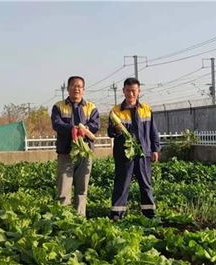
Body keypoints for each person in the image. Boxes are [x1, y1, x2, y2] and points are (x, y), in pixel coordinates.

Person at [108, 77, 160, 220]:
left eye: (134, 91)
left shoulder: (146, 110)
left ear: (139, 92)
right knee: (122, 184)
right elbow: (110, 133)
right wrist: (116, 128)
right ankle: (117, 215)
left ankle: (149, 214)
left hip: (144, 153)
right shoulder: (116, 111)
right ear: (123, 91)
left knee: (146, 184)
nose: (131, 94)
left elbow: (153, 131)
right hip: (124, 155)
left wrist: (155, 149)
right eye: (128, 91)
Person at [51, 75, 100, 217]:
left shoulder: (91, 107)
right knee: (63, 189)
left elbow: (95, 126)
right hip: (66, 153)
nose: (76, 89)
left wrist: (84, 129)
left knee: (82, 189)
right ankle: (63, 219)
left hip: (85, 153)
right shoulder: (59, 106)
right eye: (73, 85)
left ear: (83, 89)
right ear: (68, 88)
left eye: (79, 86)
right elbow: (57, 124)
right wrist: (73, 129)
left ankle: (80, 218)